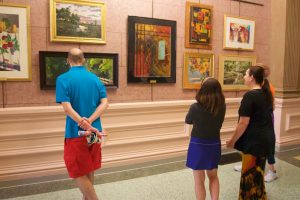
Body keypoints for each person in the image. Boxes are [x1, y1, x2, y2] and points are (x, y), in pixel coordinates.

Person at [56, 48, 108, 200]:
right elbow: (105, 103)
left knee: (77, 171)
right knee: (89, 168)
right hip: (95, 132)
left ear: (68, 60)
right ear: (83, 60)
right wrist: (90, 121)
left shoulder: (63, 79)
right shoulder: (95, 79)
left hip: (75, 132)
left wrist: (82, 123)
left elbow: (67, 108)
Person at [227, 65, 275, 199]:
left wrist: (232, 140)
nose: (244, 76)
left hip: (254, 143)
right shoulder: (266, 93)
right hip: (265, 140)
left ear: (252, 77)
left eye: (246, 74)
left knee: (249, 177)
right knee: (258, 174)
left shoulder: (250, 96)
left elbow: (243, 123)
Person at [185, 77, 226, 200]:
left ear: (203, 89)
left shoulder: (194, 107)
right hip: (214, 144)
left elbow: (188, 124)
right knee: (213, 177)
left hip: (197, 145)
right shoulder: (222, 106)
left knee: (199, 180)